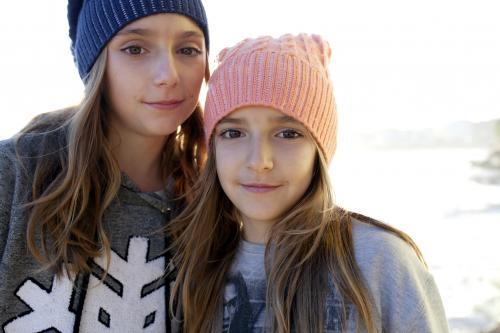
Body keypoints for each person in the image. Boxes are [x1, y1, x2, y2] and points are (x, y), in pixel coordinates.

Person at [169, 34, 449, 332]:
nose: (259, 160)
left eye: (288, 133)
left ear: (319, 149)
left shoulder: (379, 261)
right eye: (233, 133)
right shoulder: (195, 268)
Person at [0, 0, 209, 331]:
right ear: (96, 63)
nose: (168, 75)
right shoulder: (15, 175)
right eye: (135, 48)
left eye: (188, 49)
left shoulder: (212, 205)